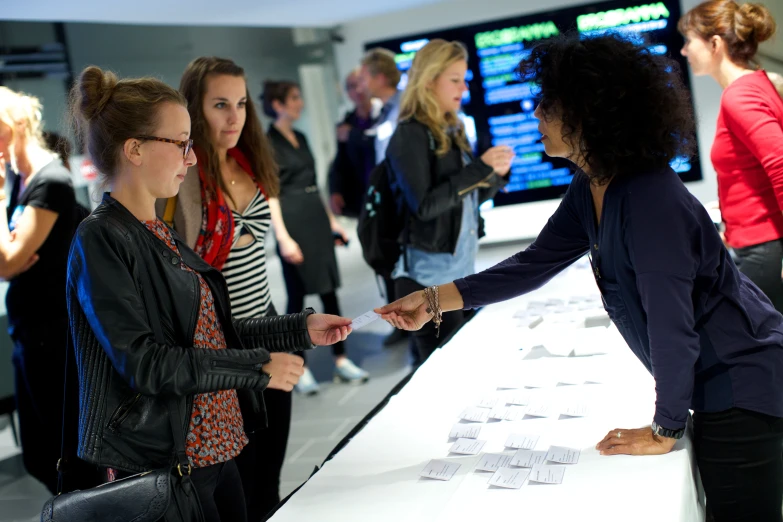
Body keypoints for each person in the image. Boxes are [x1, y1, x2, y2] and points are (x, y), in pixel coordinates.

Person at [378, 33, 783, 522]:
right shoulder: (593, 182)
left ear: (587, 112)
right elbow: (535, 262)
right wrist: (436, 298)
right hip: (717, 383)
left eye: (547, 105)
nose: (536, 116)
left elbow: (672, 328)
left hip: (743, 389)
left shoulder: (649, 200)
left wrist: (665, 428)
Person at [68, 65, 352, 522]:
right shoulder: (101, 237)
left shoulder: (157, 230)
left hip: (215, 449)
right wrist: (257, 368)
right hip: (168, 462)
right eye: (180, 144)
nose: (192, 158)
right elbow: (145, 363)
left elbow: (211, 334)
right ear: (135, 149)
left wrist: (298, 326)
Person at [158, 55, 290, 520]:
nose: (235, 116)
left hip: (270, 332)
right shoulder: (182, 179)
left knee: (270, 479)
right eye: (220, 105)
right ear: (194, 108)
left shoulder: (245, 160)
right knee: (244, 488)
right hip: (229, 355)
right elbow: (178, 278)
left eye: (240, 103)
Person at [385, 39, 512, 363]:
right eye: (454, 79)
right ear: (428, 80)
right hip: (426, 278)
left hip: (458, 272)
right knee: (441, 371)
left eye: (463, 78)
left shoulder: (450, 129)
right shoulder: (410, 134)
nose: (463, 87)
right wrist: (480, 169)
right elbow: (425, 206)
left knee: (463, 365)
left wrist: (494, 176)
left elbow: (463, 201)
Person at [0, 87, 84, 494]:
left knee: (62, 453)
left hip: (52, 336)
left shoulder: (51, 181)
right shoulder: (23, 183)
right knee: (38, 454)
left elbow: (7, 263)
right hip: (29, 333)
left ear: (13, 127)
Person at [263, 80, 369, 393]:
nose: (300, 102)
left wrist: (332, 222)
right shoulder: (268, 143)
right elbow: (271, 192)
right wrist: (282, 236)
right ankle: (299, 366)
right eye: (294, 97)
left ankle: (340, 360)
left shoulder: (302, 137)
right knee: (297, 297)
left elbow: (315, 184)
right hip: (293, 219)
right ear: (278, 104)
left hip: (314, 216)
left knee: (329, 290)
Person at [679, 1, 783, 312]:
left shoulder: (741, 96)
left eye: (689, 41)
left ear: (714, 43)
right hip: (759, 242)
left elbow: (780, 166)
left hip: (764, 248)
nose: (684, 51)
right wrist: (730, 208)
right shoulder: (755, 85)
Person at [328, 68, 379, 219]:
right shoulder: (346, 122)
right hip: (360, 194)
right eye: (351, 86)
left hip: (385, 190)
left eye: (360, 83)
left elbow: (380, 145)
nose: (357, 90)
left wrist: (353, 135)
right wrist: (335, 190)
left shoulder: (384, 114)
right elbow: (340, 161)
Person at [359, 48, 403, 166]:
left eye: (363, 79)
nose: (361, 86)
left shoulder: (406, 107)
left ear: (380, 79)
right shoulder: (382, 111)